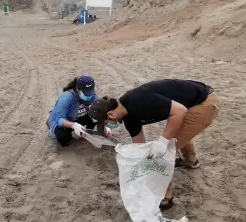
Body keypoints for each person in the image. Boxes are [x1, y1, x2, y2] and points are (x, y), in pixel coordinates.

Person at [87, 79, 220, 210]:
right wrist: (139, 162)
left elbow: (179, 111)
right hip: (191, 102)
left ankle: (164, 200)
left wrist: (162, 143)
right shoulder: (128, 117)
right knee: (173, 137)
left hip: (204, 103)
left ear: (110, 114)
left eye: (104, 123)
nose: (108, 126)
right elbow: (141, 148)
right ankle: (190, 160)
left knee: (164, 152)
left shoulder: (139, 101)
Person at [46, 75, 109, 146]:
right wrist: (74, 125)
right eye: (86, 93)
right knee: (64, 138)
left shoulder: (92, 96)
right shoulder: (66, 97)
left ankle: (87, 132)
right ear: (78, 89)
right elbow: (59, 120)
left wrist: (103, 127)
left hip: (77, 116)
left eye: (90, 93)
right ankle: (51, 117)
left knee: (95, 114)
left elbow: (99, 110)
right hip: (64, 120)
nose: (89, 96)